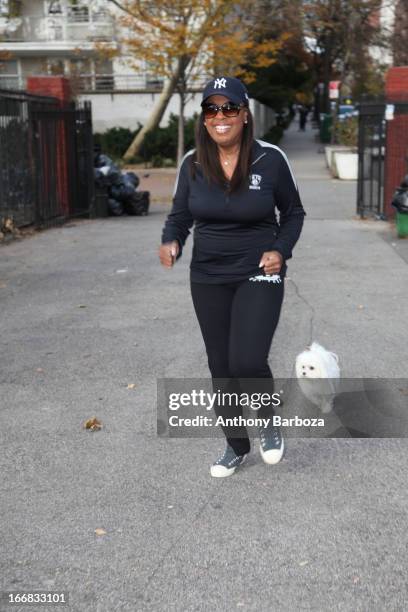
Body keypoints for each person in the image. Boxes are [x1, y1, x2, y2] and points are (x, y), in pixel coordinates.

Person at [159, 76, 306, 477]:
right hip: (207, 274)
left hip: (258, 270)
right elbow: (179, 215)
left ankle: (268, 421)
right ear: (204, 118)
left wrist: (280, 250)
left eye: (229, 108)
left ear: (244, 115)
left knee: (247, 359)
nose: (220, 116)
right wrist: (171, 240)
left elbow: (293, 213)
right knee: (220, 365)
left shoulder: (270, 158)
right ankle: (236, 445)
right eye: (212, 109)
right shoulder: (192, 163)